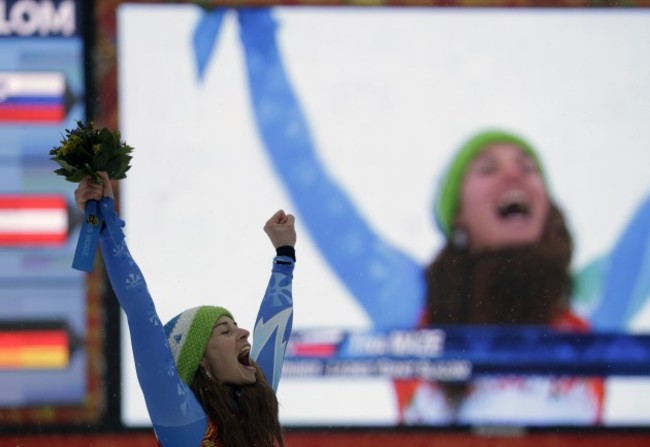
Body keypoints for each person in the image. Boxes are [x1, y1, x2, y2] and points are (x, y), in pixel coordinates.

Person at [226, 7, 650, 424]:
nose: (513, 174)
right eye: (488, 169)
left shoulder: (589, 300)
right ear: (458, 218)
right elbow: (308, 179)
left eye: (528, 166)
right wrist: (255, 29)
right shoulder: (412, 301)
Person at [74, 171, 297, 446]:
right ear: (201, 361)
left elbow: (273, 332)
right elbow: (141, 312)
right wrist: (105, 224)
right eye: (225, 332)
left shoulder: (254, 405)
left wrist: (285, 254)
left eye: (235, 326)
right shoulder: (183, 422)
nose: (244, 333)